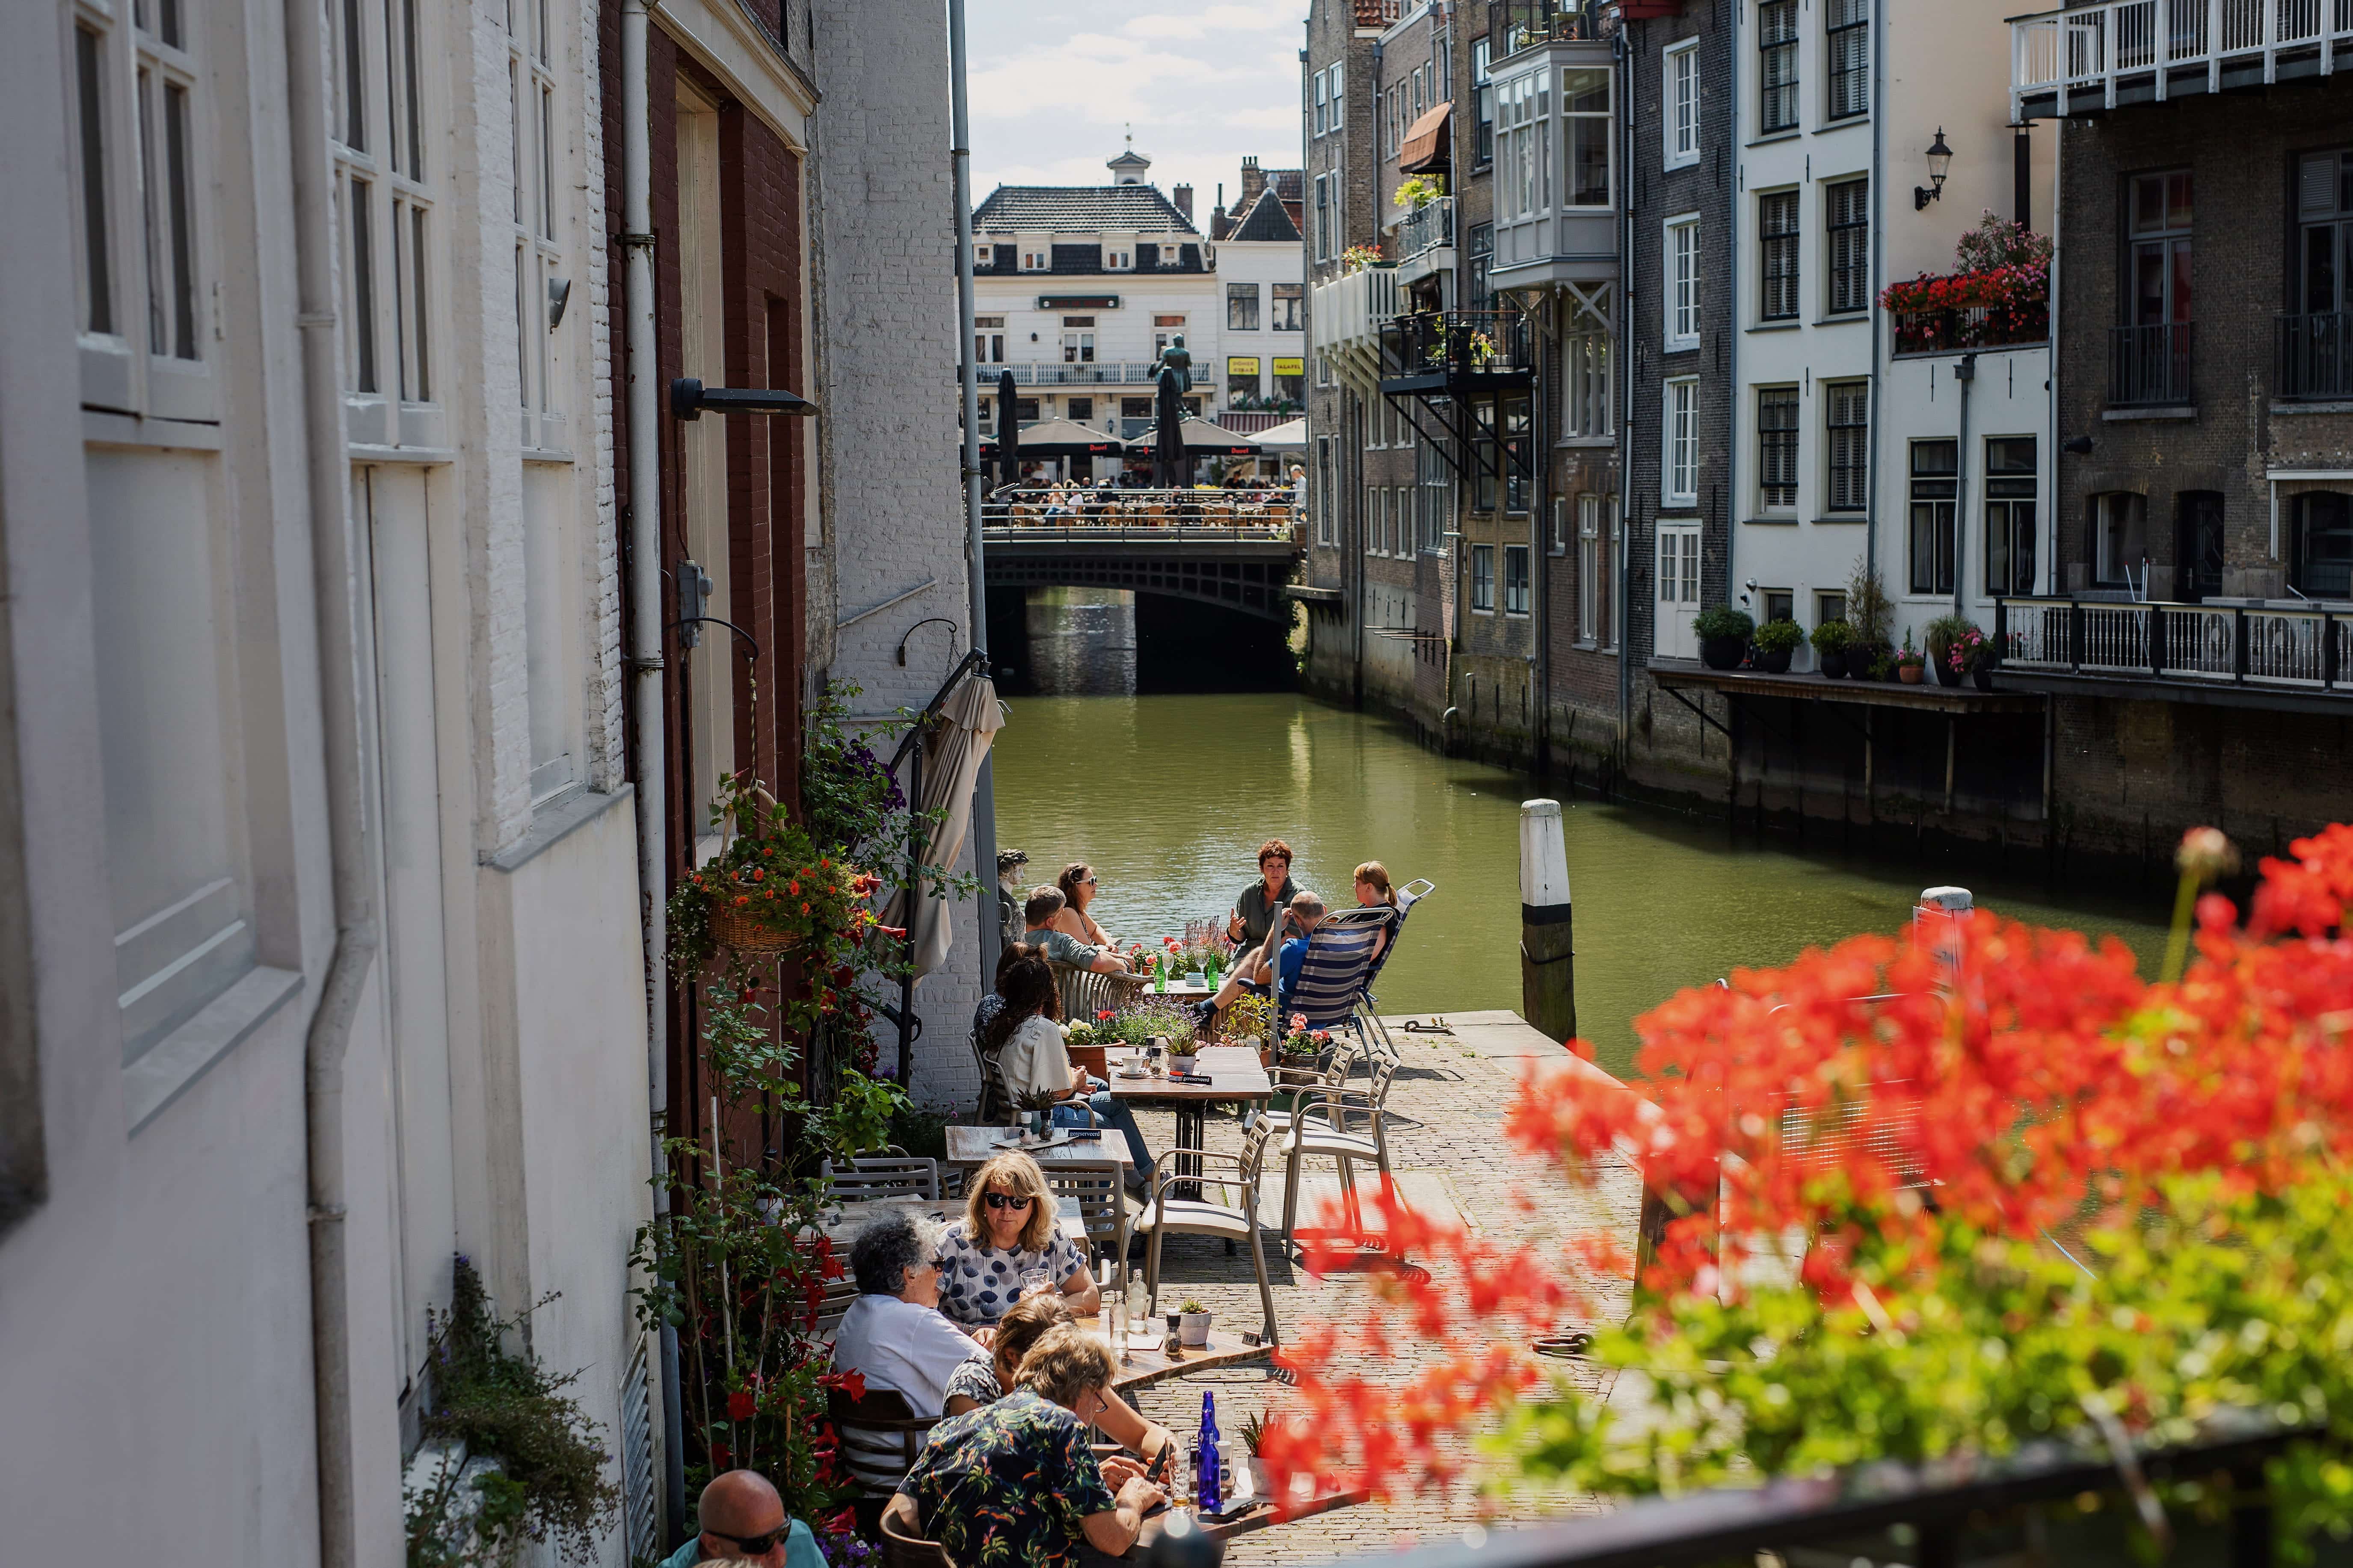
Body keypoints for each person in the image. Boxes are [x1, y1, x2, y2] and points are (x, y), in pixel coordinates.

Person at [886, 1326, 1167, 1568]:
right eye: (1099, 1401)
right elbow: (1113, 1539)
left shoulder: (950, 1429)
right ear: (1084, 1390)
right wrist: (1134, 1498)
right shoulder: (1062, 1425)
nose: (1096, 1410)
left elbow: (900, 1517)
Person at [941, 1294, 1179, 1468]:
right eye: (1050, 1366)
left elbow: (1142, 1433)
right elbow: (993, 1476)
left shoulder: (1068, 1373)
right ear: (1013, 1357)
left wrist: (1172, 1454)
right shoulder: (971, 1388)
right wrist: (1084, 1479)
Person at [983, 954, 1153, 1185]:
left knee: (1115, 1102)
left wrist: (1074, 1082)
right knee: (1109, 1127)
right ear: (1045, 993)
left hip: (1018, 1114)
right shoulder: (1043, 1029)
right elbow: (1057, 1094)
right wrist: (1075, 1081)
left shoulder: (1005, 1025)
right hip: (1043, 1121)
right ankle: (1102, 1206)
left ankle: (1141, 1180)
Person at [830, 1214, 992, 1417]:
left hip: (860, 1447)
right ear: (910, 1274)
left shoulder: (854, 1314)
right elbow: (993, 1375)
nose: (940, 1273)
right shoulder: (915, 1321)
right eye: (936, 1264)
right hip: (918, 1447)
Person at [934, 1151, 1103, 1326]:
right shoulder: (953, 1243)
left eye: (1019, 1202)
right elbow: (919, 1311)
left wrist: (1046, 1308)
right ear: (982, 1201)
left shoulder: (1052, 1238)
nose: (1007, 1210)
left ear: (1035, 1206)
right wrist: (972, 1332)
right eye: (996, 1200)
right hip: (970, 1347)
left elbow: (1090, 1297)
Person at [659, 1469, 825, 1568]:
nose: (782, 1557)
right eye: (762, 1544)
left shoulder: (801, 1539)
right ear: (713, 1545)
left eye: (784, 1533)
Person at [1202, 889, 1324, 1023]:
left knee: (1256, 960)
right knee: (1257, 953)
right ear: (1324, 910)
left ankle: (1208, 1010)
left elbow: (1259, 978)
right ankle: (1208, 1008)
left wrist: (1275, 929)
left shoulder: (1295, 949)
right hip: (1333, 1013)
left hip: (1294, 1013)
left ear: (1299, 921)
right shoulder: (1346, 943)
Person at [1021, 886, 1127, 974]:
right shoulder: (1060, 942)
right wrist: (1122, 965)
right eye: (1060, 912)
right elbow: (1099, 963)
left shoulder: (1017, 939)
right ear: (1049, 922)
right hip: (1065, 997)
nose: (1063, 914)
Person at [1227, 839, 1300, 950]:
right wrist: (1234, 931)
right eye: (1270, 866)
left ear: (1287, 869)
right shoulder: (1249, 893)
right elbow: (1242, 936)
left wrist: (1261, 957)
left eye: (1280, 866)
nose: (1276, 872)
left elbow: (1292, 939)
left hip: (1282, 953)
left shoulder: (1298, 895)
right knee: (1231, 969)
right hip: (1249, 951)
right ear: (1261, 869)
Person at [1052, 861, 1114, 951]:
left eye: (1095, 880)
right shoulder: (1068, 913)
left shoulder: (1076, 909)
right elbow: (1089, 953)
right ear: (1074, 886)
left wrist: (1108, 943)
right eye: (1091, 882)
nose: (1096, 885)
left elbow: (1094, 930)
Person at [1354, 860, 1400, 967]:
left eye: (1357, 883)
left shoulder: (1384, 917)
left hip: (1342, 973)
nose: (1353, 886)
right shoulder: (1368, 908)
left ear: (1369, 887)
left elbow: (1367, 957)